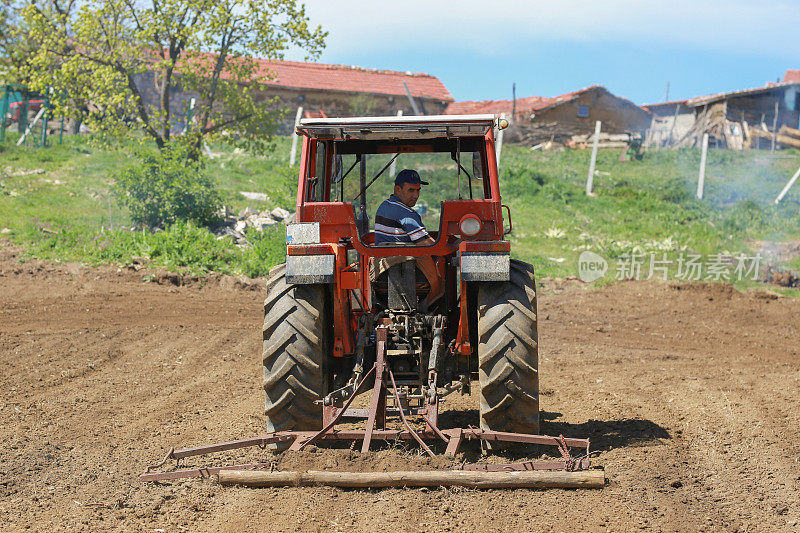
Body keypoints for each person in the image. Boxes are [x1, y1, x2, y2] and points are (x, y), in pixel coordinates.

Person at [372, 169, 443, 308]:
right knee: (441, 279)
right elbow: (427, 244)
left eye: (418, 190)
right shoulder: (407, 214)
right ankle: (430, 306)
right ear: (397, 189)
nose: (416, 195)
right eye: (411, 190)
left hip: (381, 277)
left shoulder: (383, 206)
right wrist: (453, 246)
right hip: (411, 276)